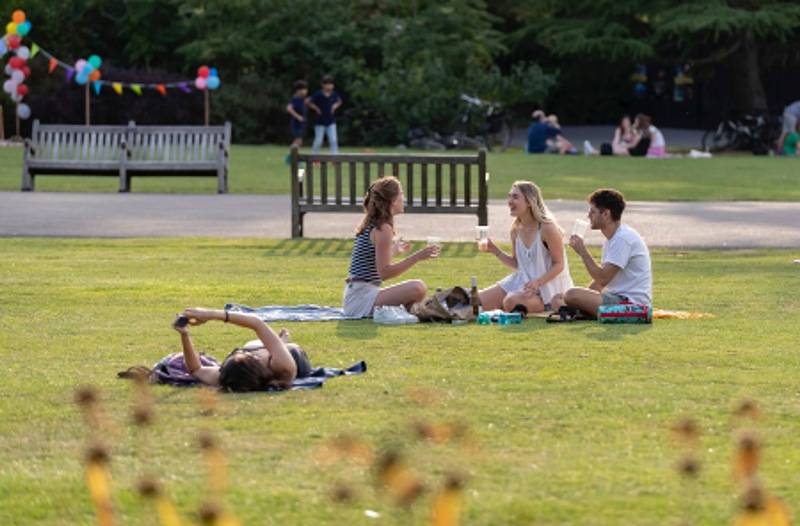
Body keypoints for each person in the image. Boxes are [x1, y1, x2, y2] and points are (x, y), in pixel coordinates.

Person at [342, 176, 439, 318]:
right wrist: (417, 257)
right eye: (401, 194)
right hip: (360, 299)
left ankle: (422, 310)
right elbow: (385, 273)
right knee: (418, 287)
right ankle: (426, 310)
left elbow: (371, 262)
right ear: (393, 201)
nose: (403, 198)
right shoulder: (383, 228)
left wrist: (393, 251)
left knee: (415, 297)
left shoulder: (373, 224)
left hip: (357, 295)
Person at [477, 181, 573, 314]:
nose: (509, 201)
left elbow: (559, 264)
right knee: (476, 302)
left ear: (529, 202)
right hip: (522, 283)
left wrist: (538, 282)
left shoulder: (547, 228)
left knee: (511, 301)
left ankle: (547, 306)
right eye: (509, 196)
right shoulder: (516, 229)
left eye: (515, 197)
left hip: (547, 289)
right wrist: (495, 250)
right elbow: (518, 264)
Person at [555, 188, 652, 318]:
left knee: (571, 295)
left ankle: (583, 312)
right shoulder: (612, 239)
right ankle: (583, 311)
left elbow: (603, 278)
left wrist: (583, 252)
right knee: (558, 298)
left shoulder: (623, 238)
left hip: (631, 304)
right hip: (615, 298)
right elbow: (601, 283)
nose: (588, 216)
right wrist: (585, 298)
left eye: (592, 212)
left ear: (606, 214)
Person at [172, 308, 311, 392]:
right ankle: (281, 343)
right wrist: (212, 314)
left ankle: (276, 342)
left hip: (260, 361)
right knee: (252, 345)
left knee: (250, 346)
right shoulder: (283, 366)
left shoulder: (227, 377)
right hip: (295, 356)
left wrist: (185, 335)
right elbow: (257, 323)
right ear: (258, 364)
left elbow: (195, 369)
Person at [306, 75, 342, 154]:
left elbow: (339, 101)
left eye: (330, 84)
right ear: (323, 85)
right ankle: (314, 156)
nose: (329, 86)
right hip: (320, 121)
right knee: (318, 140)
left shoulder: (333, 95)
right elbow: (308, 101)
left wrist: (334, 106)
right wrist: (316, 108)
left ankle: (334, 156)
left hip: (331, 121)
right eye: (327, 84)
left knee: (333, 140)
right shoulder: (318, 94)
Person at [285, 80, 308, 155]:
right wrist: (298, 117)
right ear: (298, 90)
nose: (306, 91)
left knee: (299, 140)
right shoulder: (295, 99)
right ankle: (291, 156)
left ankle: (292, 156)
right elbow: (288, 108)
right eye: (304, 89)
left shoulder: (302, 99)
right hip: (296, 123)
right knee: (298, 140)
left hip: (300, 124)